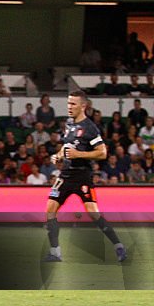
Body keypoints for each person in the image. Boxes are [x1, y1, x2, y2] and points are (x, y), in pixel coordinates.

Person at [45, 90, 127, 263]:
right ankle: (55, 252)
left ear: (83, 106)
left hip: (83, 176)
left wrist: (78, 155)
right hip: (65, 176)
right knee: (50, 209)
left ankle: (118, 246)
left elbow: (102, 153)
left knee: (93, 213)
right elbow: (66, 146)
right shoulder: (69, 123)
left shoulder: (90, 128)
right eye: (68, 103)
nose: (69, 107)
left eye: (73, 104)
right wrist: (58, 155)